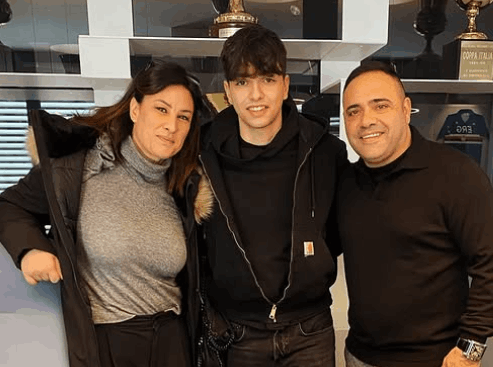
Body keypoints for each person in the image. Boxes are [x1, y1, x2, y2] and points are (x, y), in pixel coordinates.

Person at [0, 60, 214, 367]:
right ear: (135, 110)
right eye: (161, 109)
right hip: (108, 343)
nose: (172, 126)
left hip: (172, 343)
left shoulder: (185, 187)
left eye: (184, 117)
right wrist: (31, 250)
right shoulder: (79, 168)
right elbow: (9, 206)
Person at [198, 25, 348, 366]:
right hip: (235, 332)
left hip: (310, 330)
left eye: (267, 79)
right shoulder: (202, 155)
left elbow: (338, 234)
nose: (255, 95)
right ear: (228, 91)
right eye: (242, 82)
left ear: (284, 86)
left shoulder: (325, 152)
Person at [337, 61, 493, 367]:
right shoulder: (346, 183)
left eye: (380, 105)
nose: (366, 120)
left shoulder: (456, 174)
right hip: (359, 356)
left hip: (437, 360)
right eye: (353, 111)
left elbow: (490, 264)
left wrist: (471, 347)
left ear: (406, 109)